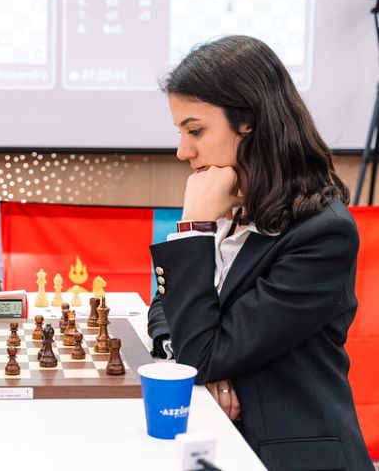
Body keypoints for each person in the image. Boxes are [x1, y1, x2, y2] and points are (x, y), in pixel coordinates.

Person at [147, 36, 372, 470]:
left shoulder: (322, 234)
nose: (182, 151)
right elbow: (165, 304)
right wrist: (189, 351)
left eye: (195, 131)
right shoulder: (228, 207)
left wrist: (193, 228)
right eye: (180, 133)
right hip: (225, 439)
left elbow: (205, 351)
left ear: (247, 121)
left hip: (293, 456)